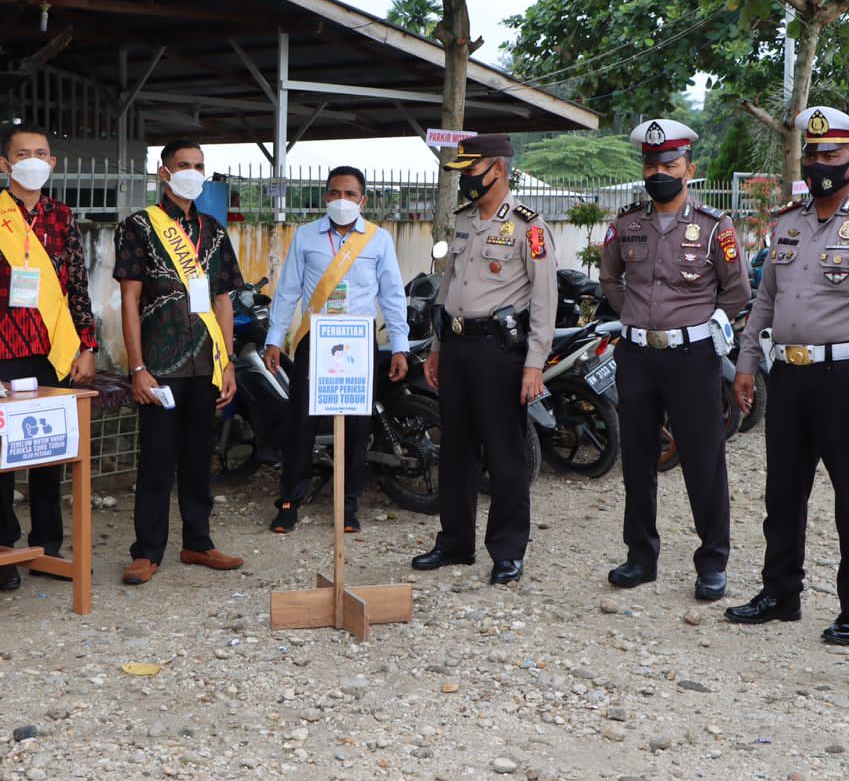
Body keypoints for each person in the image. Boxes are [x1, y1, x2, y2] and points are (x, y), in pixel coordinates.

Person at [724, 107, 849, 644]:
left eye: (831, 155)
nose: (820, 163)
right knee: (782, 494)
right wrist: (746, 363)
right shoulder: (786, 221)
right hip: (789, 377)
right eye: (813, 154)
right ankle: (780, 592)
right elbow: (765, 301)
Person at [600, 119, 751, 601]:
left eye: (669, 164)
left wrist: (701, 328)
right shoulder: (626, 224)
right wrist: (636, 318)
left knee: (704, 460)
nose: (658, 171)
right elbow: (609, 279)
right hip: (638, 355)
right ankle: (640, 557)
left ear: (690, 169)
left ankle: (712, 562)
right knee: (638, 460)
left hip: (692, 357)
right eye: (651, 164)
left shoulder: (714, 227)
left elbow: (738, 290)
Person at [0, 126, 98, 591]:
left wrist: (87, 345)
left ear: (53, 162)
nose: (32, 160)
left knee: (49, 452)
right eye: (22, 154)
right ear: (4, 163)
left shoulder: (62, 217)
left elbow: (78, 286)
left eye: (41, 153)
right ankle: (3, 551)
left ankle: (47, 548)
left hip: (53, 351)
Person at [413, 134, 556, 586]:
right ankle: (455, 541)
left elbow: (546, 300)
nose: (465, 181)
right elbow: (448, 287)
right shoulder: (463, 221)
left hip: (499, 353)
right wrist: (437, 349)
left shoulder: (529, 226)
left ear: (498, 169)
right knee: (455, 449)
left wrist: (535, 363)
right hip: (455, 348)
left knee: (505, 453)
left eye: (471, 172)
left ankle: (507, 550)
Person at [113, 139, 244, 586]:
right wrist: (137, 367)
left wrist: (226, 363)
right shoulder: (139, 227)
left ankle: (198, 542)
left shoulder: (215, 229)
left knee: (197, 456)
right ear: (163, 172)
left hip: (205, 364)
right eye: (183, 165)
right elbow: (129, 301)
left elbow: (224, 301)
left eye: (199, 166)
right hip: (160, 365)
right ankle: (147, 551)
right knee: (156, 460)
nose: (192, 172)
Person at [263, 166, 408, 534]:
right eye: (333, 193)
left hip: (359, 344)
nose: (341, 201)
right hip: (316, 340)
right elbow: (288, 291)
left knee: (358, 429)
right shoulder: (306, 235)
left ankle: (348, 505)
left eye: (349, 194)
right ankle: (288, 503)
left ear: (364, 199)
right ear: (325, 196)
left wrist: (399, 347)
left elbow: (392, 296)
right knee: (301, 425)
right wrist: (274, 339)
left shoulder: (378, 240)